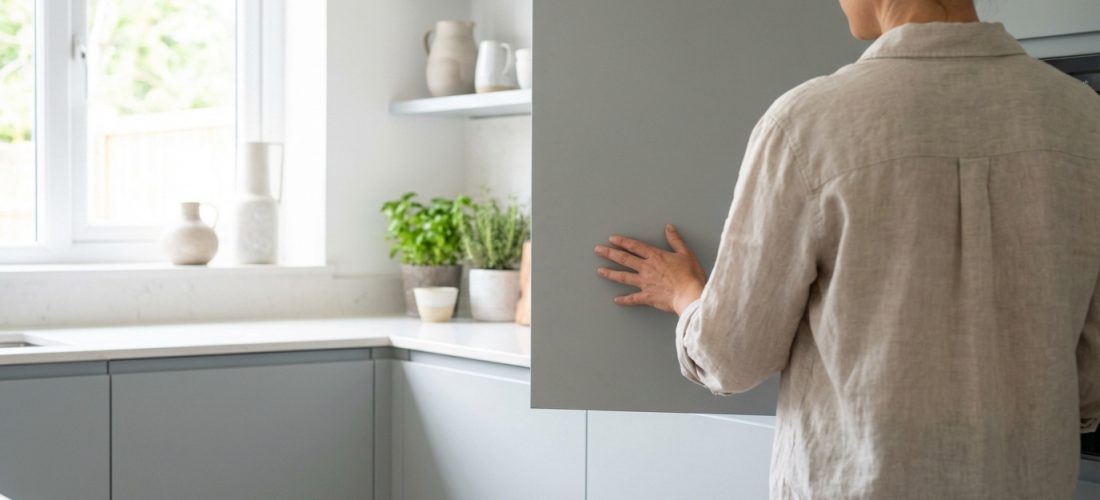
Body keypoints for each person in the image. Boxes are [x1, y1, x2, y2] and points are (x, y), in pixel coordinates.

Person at [594, 0, 1100, 498]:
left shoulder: (807, 125)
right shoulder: (1085, 120)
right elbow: (1089, 376)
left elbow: (732, 357)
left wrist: (685, 295)